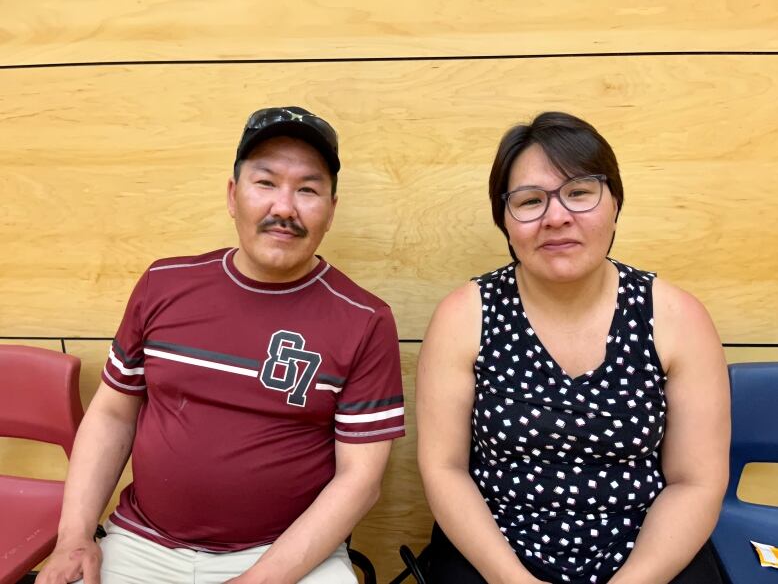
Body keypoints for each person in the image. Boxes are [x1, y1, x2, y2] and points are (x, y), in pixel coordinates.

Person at [37, 106, 405, 584]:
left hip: (288, 556)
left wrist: (259, 580)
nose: (285, 208)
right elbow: (112, 414)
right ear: (233, 196)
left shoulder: (364, 319)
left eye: (308, 190)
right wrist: (74, 538)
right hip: (143, 544)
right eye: (266, 183)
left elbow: (360, 480)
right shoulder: (163, 284)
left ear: (331, 211)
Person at [416, 112, 729, 584]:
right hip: (494, 554)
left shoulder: (678, 319)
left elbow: (695, 482)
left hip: (646, 553)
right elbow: (444, 469)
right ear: (504, 218)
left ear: (615, 202)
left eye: (580, 193)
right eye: (530, 201)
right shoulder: (464, 316)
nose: (556, 217)